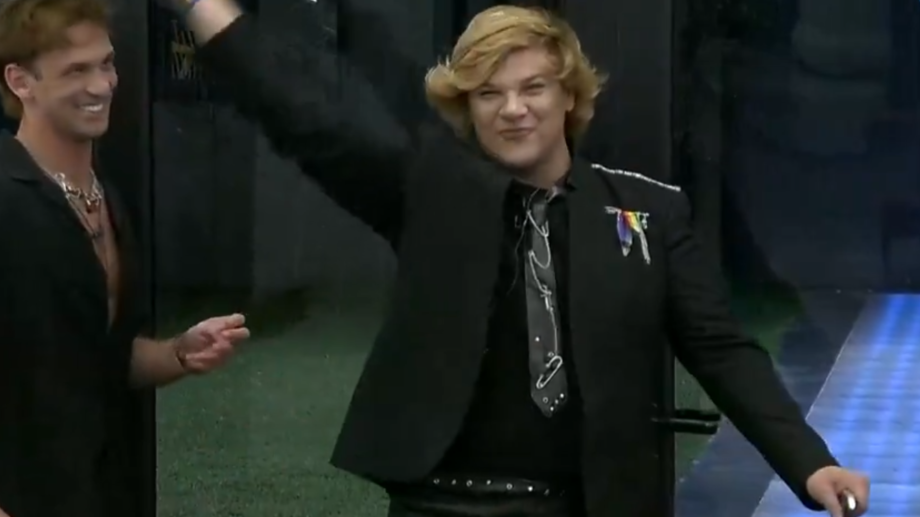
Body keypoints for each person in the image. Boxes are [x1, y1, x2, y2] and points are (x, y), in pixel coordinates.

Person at [170, 1, 870, 516]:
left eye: (533, 87)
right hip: (446, 503)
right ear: (466, 108)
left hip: (591, 504)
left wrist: (810, 464)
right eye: (489, 93)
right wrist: (202, 8)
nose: (513, 109)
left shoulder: (648, 211)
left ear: (569, 96)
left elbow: (722, 350)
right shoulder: (428, 193)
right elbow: (303, 114)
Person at [0, 1, 251, 516]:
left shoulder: (105, 198)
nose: (101, 85)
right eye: (76, 70)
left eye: (107, 63)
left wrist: (178, 353)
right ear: (20, 81)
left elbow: (102, 356)